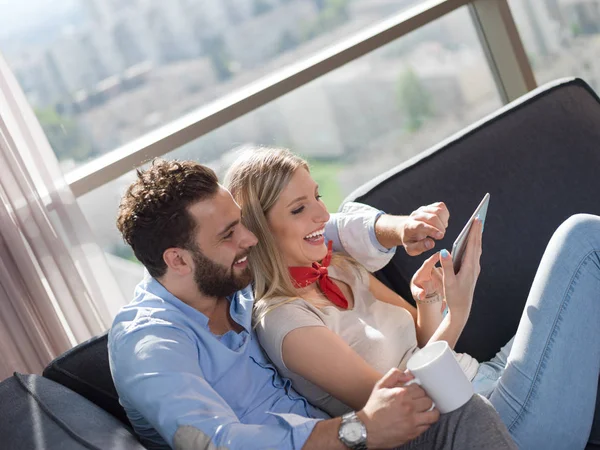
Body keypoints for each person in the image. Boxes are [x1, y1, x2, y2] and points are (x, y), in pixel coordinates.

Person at [108, 158, 516, 450]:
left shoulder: (224, 277)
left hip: (357, 434)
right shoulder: (148, 344)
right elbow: (210, 442)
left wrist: (399, 228)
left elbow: (319, 227)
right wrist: (358, 430)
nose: (250, 239)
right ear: (177, 259)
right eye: (230, 234)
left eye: (243, 224)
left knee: (465, 411)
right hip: (346, 437)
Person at [225, 147, 600, 450]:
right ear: (260, 230)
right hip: (486, 421)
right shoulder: (284, 322)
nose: (323, 214)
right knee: (582, 241)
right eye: (299, 208)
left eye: (317, 197)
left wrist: (430, 301)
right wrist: (459, 312)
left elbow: (422, 344)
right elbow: (404, 403)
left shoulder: (339, 266)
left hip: (485, 374)